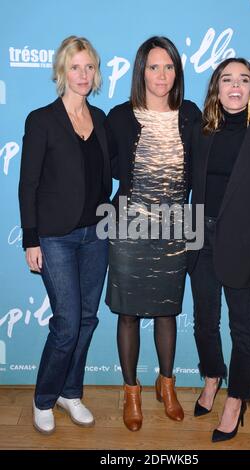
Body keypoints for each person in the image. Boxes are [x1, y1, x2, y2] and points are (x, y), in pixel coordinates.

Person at [104, 36, 201, 431]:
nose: (161, 75)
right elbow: (97, 163)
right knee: (127, 313)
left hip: (178, 224)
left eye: (169, 67)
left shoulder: (192, 114)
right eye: (153, 66)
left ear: (177, 72)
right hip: (128, 222)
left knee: (167, 309)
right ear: (140, 70)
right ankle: (131, 391)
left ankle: (167, 384)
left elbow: (223, 151)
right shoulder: (118, 116)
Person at [188, 58, 250, 442]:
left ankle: (236, 399)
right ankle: (212, 375)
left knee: (242, 330)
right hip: (201, 239)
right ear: (216, 86)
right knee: (203, 322)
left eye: (243, 80)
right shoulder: (201, 130)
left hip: (246, 246)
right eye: (226, 79)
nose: (235, 86)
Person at [18, 36, 111, 434]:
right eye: (75, 67)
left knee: (88, 320)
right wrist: (30, 238)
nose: (83, 74)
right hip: (56, 237)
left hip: (97, 234)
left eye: (89, 66)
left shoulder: (103, 119)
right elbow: (28, 184)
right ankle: (44, 396)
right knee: (68, 323)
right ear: (62, 71)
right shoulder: (41, 120)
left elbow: (132, 159)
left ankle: (70, 393)